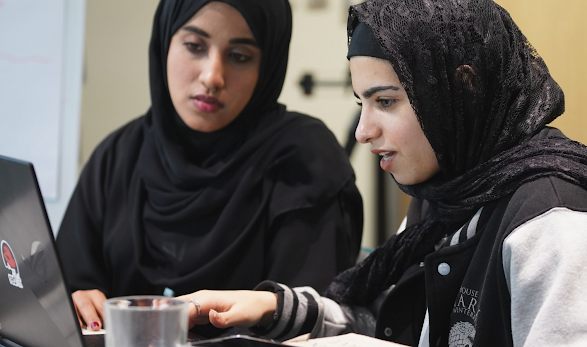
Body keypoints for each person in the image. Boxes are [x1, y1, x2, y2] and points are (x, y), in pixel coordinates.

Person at [177, 0, 587, 345]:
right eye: (361, 104)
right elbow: (391, 321)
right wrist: (272, 308)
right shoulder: (445, 196)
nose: (364, 131)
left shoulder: (553, 223)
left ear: (462, 88)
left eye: (385, 101)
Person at [55, 0, 363, 332]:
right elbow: (68, 290)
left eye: (239, 56)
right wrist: (72, 306)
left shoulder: (305, 162)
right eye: (194, 46)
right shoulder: (118, 156)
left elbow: (311, 324)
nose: (212, 77)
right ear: (165, 42)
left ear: (268, 64)